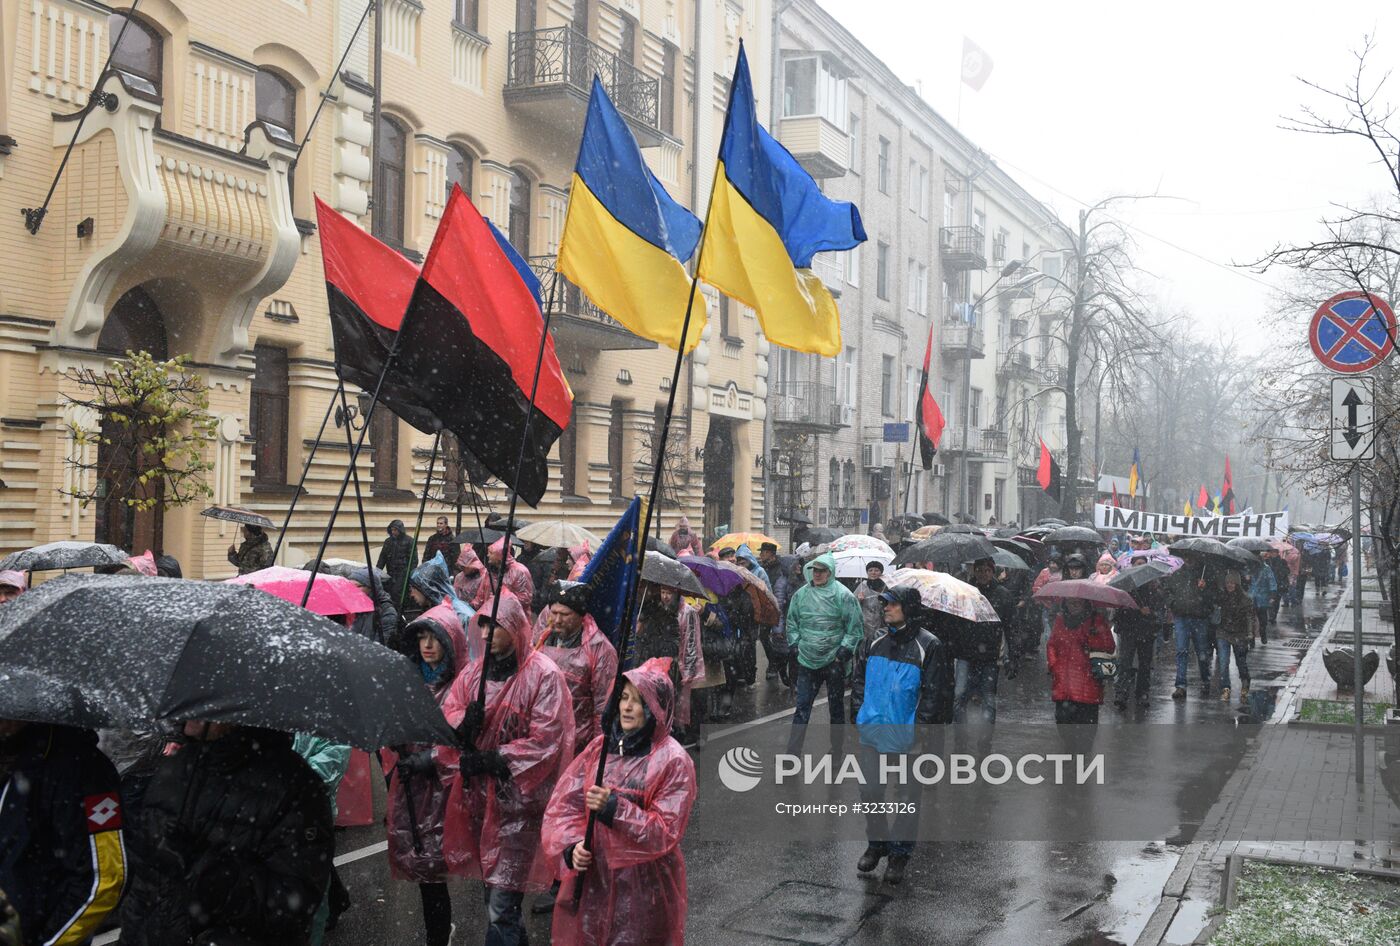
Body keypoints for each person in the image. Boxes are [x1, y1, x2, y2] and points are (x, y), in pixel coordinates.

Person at [119, 720, 333, 946]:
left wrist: (211, 872)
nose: (189, 711)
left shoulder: (294, 785)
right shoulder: (173, 770)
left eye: (202, 697)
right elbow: (143, 889)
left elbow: (293, 904)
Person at [439, 594, 574, 946]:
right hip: (480, 806)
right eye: (482, 623)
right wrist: (463, 726)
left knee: (501, 902)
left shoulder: (543, 676)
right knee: (498, 897)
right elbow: (450, 714)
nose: (485, 633)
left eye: (494, 625)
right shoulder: (474, 673)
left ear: (513, 628)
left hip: (519, 809)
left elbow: (546, 741)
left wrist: (494, 759)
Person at [541, 660, 697, 946]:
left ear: (656, 709)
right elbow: (565, 807)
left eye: (637, 702)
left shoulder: (673, 761)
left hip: (645, 889)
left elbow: (665, 832)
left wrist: (615, 808)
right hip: (594, 881)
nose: (626, 707)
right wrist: (571, 847)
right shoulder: (599, 749)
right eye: (623, 698)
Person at [850, 587, 951, 885]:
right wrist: (859, 712)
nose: (886, 609)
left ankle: (899, 854)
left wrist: (919, 730)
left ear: (908, 608)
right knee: (870, 792)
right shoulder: (875, 640)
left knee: (907, 799)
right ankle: (877, 843)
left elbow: (934, 695)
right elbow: (858, 679)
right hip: (873, 732)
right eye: (885, 604)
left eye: (892, 604)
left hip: (908, 739)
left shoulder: (929, 646)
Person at [0, 720, 126, 946]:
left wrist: (50, 941)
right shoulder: (11, 754)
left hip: (43, 931)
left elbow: (104, 878)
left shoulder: (84, 769)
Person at [389, 603, 469, 946]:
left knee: (435, 868)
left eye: (434, 638)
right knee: (421, 868)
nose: (426, 644)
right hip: (413, 790)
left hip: (446, 792)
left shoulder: (462, 686)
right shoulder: (411, 681)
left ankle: (439, 935)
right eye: (421, 637)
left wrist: (432, 759)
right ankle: (436, 931)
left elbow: (465, 743)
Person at [785, 552, 864, 755]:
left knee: (836, 709)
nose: (817, 574)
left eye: (822, 571)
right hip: (806, 660)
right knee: (802, 708)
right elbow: (792, 621)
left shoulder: (844, 595)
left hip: (833, 662)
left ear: (830, 572)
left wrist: (842, 654)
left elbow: (854, 628)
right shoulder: (801, 594)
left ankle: (836, 750)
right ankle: (793, 753)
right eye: (815, 570)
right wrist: (795, 645)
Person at [292, 733, 351, 946]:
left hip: (313, 823)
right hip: (279, 824)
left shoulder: (333, 729)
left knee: (312, 900)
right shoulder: (283, 721)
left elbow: (325, 772)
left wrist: (283, 771)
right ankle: (338, 899)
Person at [634, 583, 705, 741]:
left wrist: (690, 668)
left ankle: (686, 731)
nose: (665, 596)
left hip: (679, 663)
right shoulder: (658, 610)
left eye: (669, 593)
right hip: (665, 663)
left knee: (683, 700)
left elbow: (691, 641)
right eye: (662, 592)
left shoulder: (687, 612)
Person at [953, 558, 1015, 738]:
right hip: (965, 653)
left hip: (989, 656)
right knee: (959, 695)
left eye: (986, 570)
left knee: (988, 697)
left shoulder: (1003, 595)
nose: (982, 574)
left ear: (992, 572)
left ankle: (985, 736)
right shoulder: (964, 592)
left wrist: (1013, 656)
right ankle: (961, 734)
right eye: (979, 570)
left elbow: (1011, 627)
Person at [1046, 597, 1116, 724]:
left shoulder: (1096, 621)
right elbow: (1052, 644)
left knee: (1086, 730)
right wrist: (1054, 665)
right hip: (1063, 683)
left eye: (1078, 601)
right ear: (1065, 603)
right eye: (1070, 601)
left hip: (1088, 683)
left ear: (1085, 602)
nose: (1074, 605)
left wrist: (1092, 639)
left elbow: (1109, 647)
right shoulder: (1060, 620)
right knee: (1063, 724)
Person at [1164, 554, 1216, 699]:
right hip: (1181, 617)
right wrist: (1173, 603)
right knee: (1181, 651)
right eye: (1187, 556)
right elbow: (1167, 592)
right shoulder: (1177, 575)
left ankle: (1205, 680)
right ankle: (1180, 685)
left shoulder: (1206, 574)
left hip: (1200, 618)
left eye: (1191, 557)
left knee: (1202, 652)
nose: (1189, 559)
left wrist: (1204, 589)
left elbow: (1214, 597)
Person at [1113, 555, 1161, 711]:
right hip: (1129, 630)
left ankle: (1143, 693)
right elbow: (1119, 610)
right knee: (1125, 663)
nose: (1141, 566)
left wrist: (1150, 612)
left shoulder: (1153, 587)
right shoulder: (1125, 587)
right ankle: (1121, 693)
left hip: (1146, 631)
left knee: (1144, 664)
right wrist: (1135, 610)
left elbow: (1160, 609)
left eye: (1143, 564)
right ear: (1132, 565)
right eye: (1138, 564)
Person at [1217, 570, 1257, 704]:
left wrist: (1250, 633)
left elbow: (1250, 617)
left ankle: (1245, 683)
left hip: (1240, 634)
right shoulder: (1221, 597)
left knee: (1241, 662)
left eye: (1232, 583)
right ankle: (1225, 688)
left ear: (1237, 584)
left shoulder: (1245, 599)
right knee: (1223, 662)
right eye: (1228, 582)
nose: (1229, 585)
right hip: (1223, 633)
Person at [471, 538, 536, 618]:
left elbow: (525, 599)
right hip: (490, 618)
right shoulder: (490, 573)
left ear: (499, 555)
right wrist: (471, 607)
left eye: (491, 553)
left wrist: (501, 601)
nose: (488, 555)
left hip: (514, 621)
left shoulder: (519, 571)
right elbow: (481, 595)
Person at [347, 564, 399, 645]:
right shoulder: (351, 608)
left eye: (357, 586)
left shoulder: (386, 612)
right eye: (350, 586)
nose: (352, 590)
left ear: (371, 588)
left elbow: (380, 646)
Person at [378, 519, 419, 609]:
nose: (393, 532)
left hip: (403, 573)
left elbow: (413, 560)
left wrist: (408, 573)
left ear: (400, 530)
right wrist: (378, 571)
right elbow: (382, 558)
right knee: (390, 592)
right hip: (391, 572)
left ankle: (399, 609)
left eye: (395, 530)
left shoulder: (409, 541)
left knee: (398, 592)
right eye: (392, 530)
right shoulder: (388, 542)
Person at [853, 561, 889, 645]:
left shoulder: (886, 587)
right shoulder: (862, 586)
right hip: (864, 625)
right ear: (867, 572)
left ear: (881, 572)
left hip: (881, 623)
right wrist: (858, 600)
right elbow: (852, 605)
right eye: (870, 570)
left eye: (876, 570)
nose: (873, 572)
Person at [1248, 553, 1277, 644]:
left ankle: (1262, 633)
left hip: (1262, 598)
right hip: (1251, 597)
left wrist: (1272, 595)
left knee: (1262, 619)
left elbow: (1272, 581)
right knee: (1251, 619)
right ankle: (1251, 637)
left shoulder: (1266, 568)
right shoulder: (1248, 569)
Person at [1265, 548, 1289, 622]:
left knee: (1276, 601)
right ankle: (1271, 615)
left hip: (1279, 584)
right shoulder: (1267, 561)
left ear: (1278, 553)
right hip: (1269, 584)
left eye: (1275, 552)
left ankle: (1274, 615)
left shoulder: (1282, 561)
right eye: (1272, 552)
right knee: (1270, 600)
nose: (1273, 554)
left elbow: (1287, 571)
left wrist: (1280, 572)